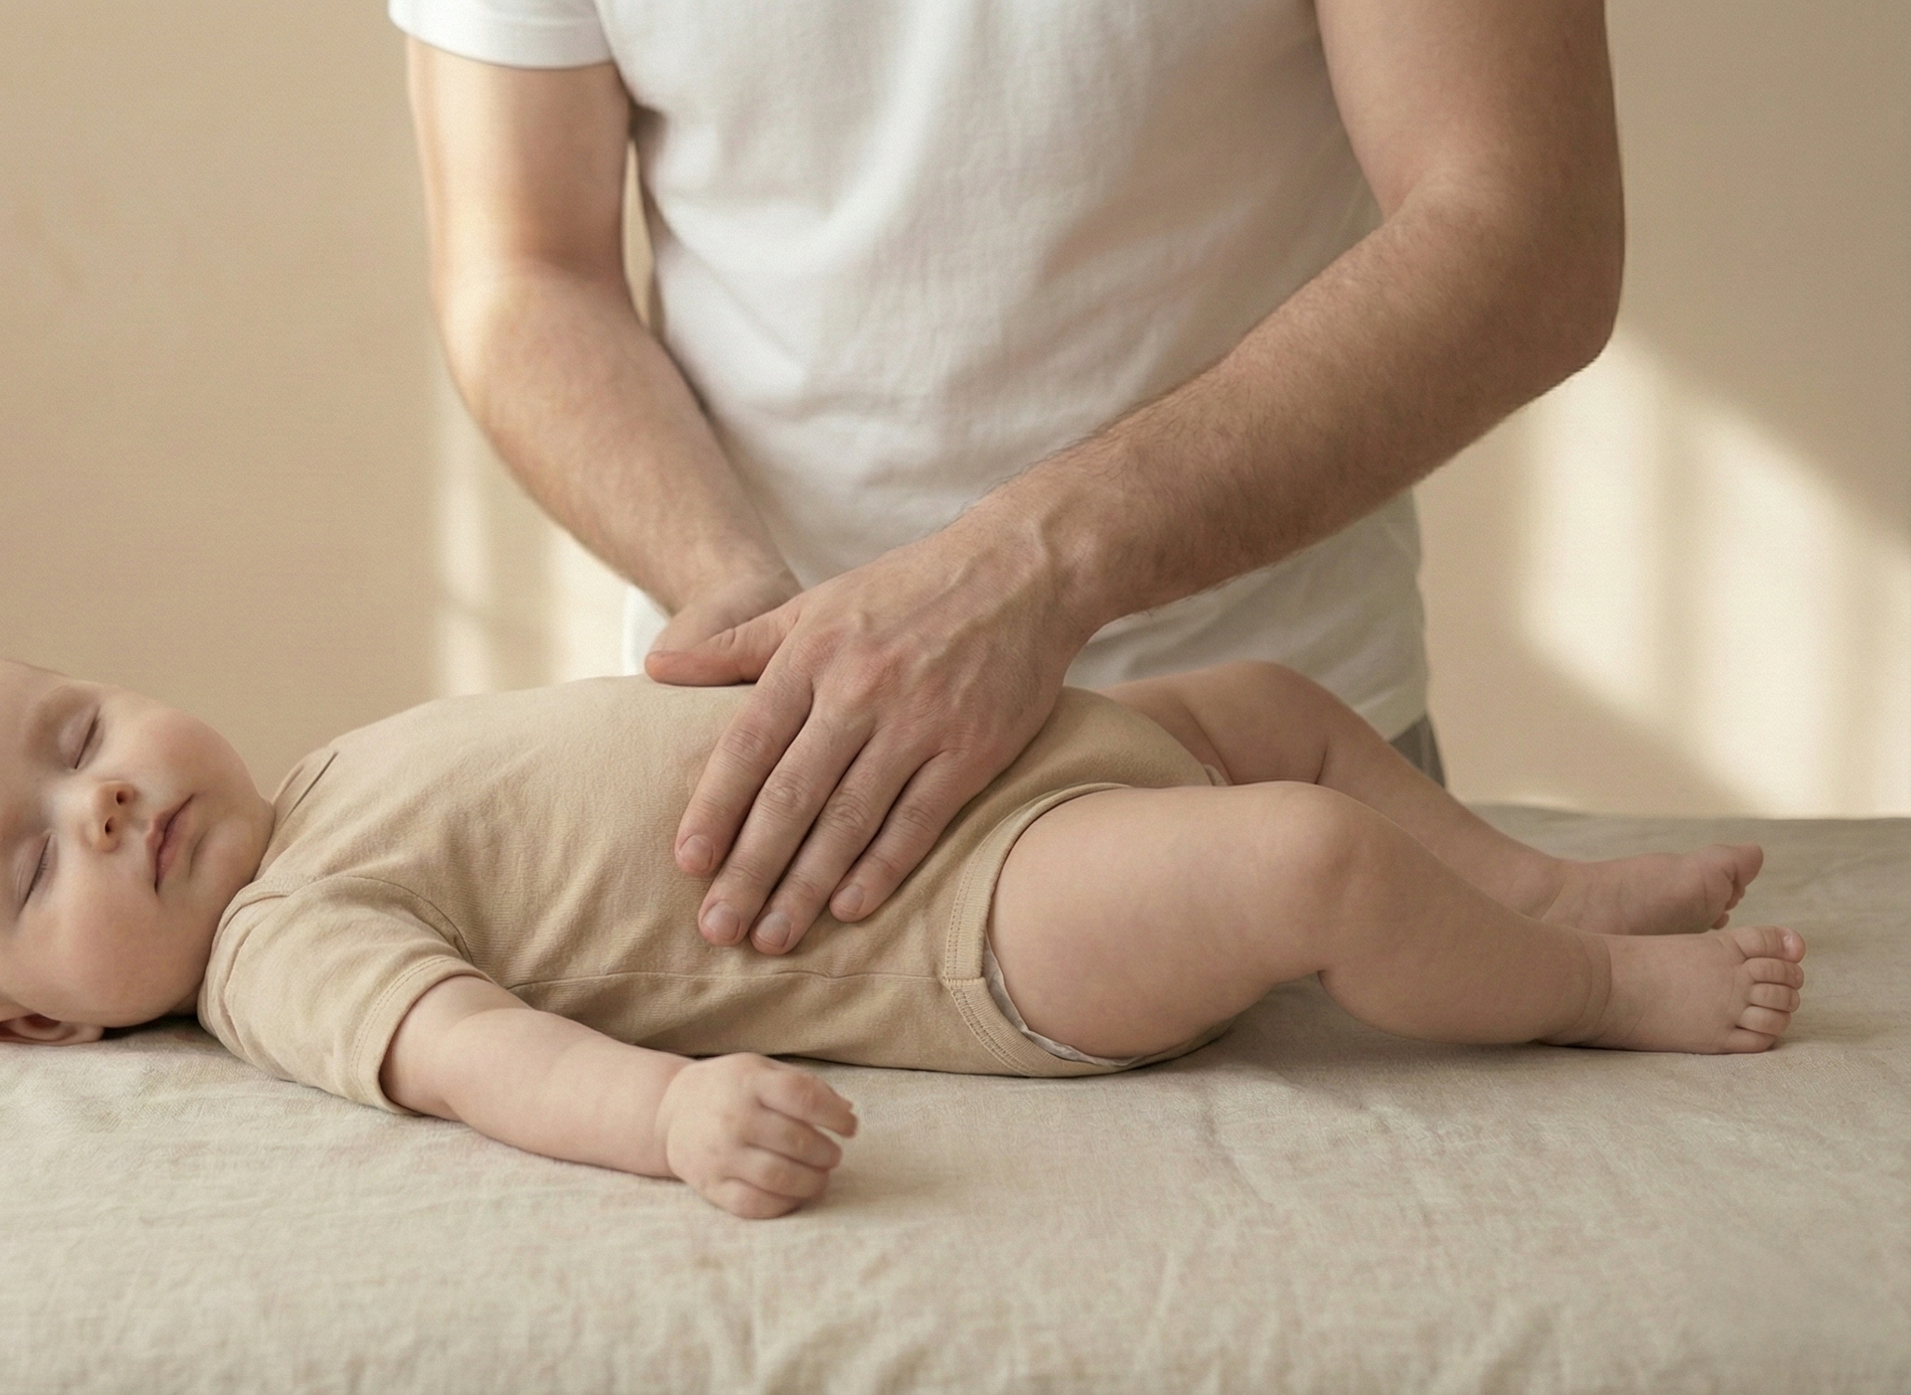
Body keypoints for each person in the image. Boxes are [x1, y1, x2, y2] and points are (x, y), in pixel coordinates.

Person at [398, 1, 1625, 961]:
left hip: (1282, 760)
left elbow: (1525, 230)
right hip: (785, 790)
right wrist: (730, 587)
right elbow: (525, 270)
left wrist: (1025, 574)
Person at [0, 655, 1804, 1219]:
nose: (108, 799)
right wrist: (669, 1120)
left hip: (999, 758)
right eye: (35, 865)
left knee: (1273, 700)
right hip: (966, 923)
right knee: (1289, 855)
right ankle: (1590, 988)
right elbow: (483, 1052)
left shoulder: (325, 778)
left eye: (74, 737)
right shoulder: (277, 950)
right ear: (32, 1026)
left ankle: (1530, 889)